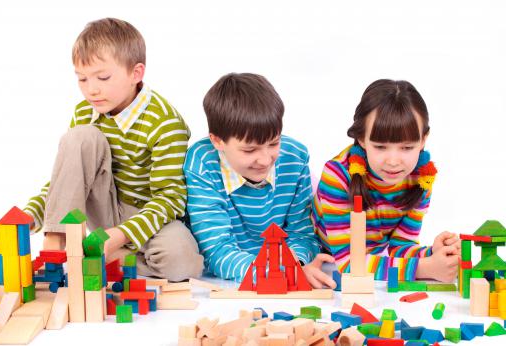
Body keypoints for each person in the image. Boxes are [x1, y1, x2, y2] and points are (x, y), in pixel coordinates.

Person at [23, 18, 203, 281]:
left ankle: (103, 256)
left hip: (147, 214)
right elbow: (68, 177)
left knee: (183, 263)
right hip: (103, 208)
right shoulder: (85, 112)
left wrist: (121, 234)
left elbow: (170, 198)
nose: (91, 89)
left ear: (136, 73)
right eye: (82, 79)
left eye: (103, 77)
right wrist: (33, 214)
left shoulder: (165, 123)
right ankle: (59, 241)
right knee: (80, 138)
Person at [184, 73, 336, 288]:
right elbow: (216, 249)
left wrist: (296, 264)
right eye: (249, 149)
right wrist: (279, 273)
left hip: (276, 269)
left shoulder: (295, 156)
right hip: (237, 276)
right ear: (217, 141)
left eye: (274, 143)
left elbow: (302, 234)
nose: (265, 160)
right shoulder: (202, 163)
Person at [312, 79, 460, 283]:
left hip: (372, 255)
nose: (393, 161)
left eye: (407, 148)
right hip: (326, 256)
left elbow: (400, 247)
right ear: (362, 138)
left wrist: (433, 253)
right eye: (380, 147)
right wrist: (424, 268)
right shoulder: (338, 175)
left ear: (423, 139)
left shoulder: (422, 178)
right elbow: (348, 264)